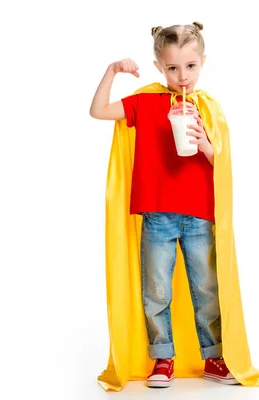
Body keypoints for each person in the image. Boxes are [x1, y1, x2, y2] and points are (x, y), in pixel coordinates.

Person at [89, 22, 238, 388]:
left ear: (202, 62)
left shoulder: (208, 108)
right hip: (157, 215)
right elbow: (98, 111)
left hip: (199, 215)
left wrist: (205, 144)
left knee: (206, 288)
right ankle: (162, 359)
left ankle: (214, 357)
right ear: (159, 67)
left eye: (190, 66)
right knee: (156, 290)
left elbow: (223, 167)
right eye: (173, 68)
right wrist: (111, 72)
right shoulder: (146, 101)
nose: (182, 76)